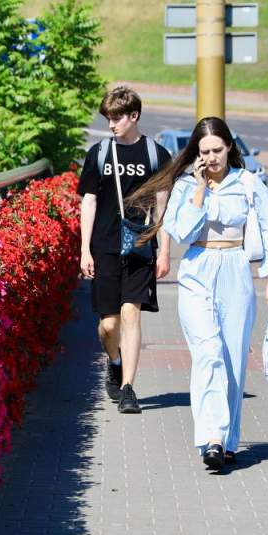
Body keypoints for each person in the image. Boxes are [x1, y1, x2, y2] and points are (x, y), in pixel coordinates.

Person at [128, 116, 268, 469]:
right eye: (204, 152)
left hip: (235, 269)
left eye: (217, 150)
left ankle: (227, 441)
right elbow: (182, 231)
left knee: (232, 359)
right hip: (197, 269)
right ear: (196, 154)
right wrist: (199, 190)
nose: (211, 158)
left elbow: (267, 228)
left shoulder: (248, 183)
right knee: (208, 353)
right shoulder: (186, 185)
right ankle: (212, 438)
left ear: (229, 147)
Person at [77, 86, 171, 414]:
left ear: (134, 115)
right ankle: (114, 361)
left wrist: (164, 251)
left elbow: (162, 208)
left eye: (117, 118)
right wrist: (84, 249)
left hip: (140, 247)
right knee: (108, 325)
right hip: (103, 247)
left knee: (131, 313)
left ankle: (129, 388)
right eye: (108, 118)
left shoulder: (156, 155)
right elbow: (88, 201)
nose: (111, 124)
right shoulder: (99, 154)